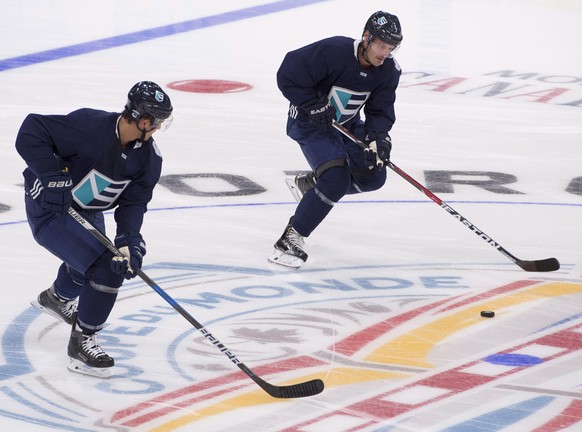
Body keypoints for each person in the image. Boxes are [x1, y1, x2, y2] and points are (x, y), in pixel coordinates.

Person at [15, 81, 173, 377]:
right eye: (157, 122)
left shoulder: (149, 158)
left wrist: (129, 239)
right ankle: (82, 341)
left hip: (86, 209)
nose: (159, 128)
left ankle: (57, 298)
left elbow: (133, 204)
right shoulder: (89, 127)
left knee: (106, 260)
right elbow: (31, 130)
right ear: (143, 120)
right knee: (104, 268)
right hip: (50, 208)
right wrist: (52, 175)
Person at [269, 11, 403, 268]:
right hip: (309, 123)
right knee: (336, 178)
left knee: (374, 175)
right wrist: (312, 104)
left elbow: (379, 110)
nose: (385, 53)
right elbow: (288, 73)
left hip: (348, 124)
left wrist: (379, 139)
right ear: (366, 37)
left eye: (390, 48)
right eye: (381, 45)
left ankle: (312, 187)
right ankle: (291, 237)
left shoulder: (388, 70)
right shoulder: (333, 51)